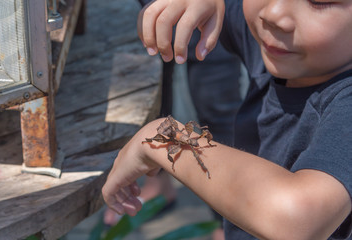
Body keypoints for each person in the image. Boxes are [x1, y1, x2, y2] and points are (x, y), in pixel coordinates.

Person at [102, 0, 352, 239]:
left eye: (320, 0)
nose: (273, 13)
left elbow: (297, 220)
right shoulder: (280, 47)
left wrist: (167, 138)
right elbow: (157, 21)